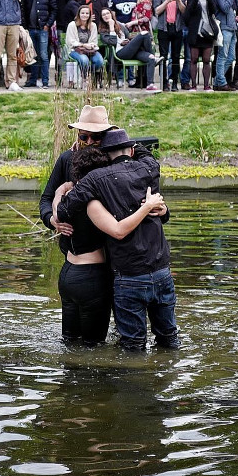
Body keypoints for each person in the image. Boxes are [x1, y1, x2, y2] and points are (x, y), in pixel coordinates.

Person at [56, 128, 179, 351]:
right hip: (162, 271)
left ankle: (132, 383)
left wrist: (61, 191)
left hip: (129, 276)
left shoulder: (95, 180)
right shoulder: (149, 167)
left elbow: (63, 212)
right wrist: (112, 131)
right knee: (169, 339)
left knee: (132, 346)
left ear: (104, 152)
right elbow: (145, 152)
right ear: (131, 150)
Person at [39, 104, 117, 242]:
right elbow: (46, 198)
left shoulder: (115, 158)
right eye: (83, 137)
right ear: (78, 135)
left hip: (110, 240)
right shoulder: (67, 158)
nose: (89, 142)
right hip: (76, 243)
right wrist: (52, 219)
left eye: (96, 137)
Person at [100, 7, 160, 91]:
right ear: (101, 18)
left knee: (150, 58)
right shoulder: (103, 31)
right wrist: (111, 27)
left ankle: (150, 84)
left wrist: (127, 41)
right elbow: (113, 42)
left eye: (107, 13)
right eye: (103, 15)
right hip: (120, 53)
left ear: (111, 14)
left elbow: (129, 37)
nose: (106, 16)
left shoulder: (120, 25)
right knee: (144, 34)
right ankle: (154, 58)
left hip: (130, 50)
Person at [23, 0, 57, 89]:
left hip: (43, 28)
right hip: (30, 28)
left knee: (43, 55)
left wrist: (48, 24)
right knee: (32, 55)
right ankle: (32, 80)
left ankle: (45, 81)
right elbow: (24, 10)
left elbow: (54, 10)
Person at [184, 0, 218, 91]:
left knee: (206, 60)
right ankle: (193, 85)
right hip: (195, 33)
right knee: (193, 59)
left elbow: (214, 12)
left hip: (207, 32)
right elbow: (188, 15)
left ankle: (206, 85)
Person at [154, 0, 184, 92]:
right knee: (163, 56)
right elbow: (156, 11)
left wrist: (179, 0)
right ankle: (164, 82)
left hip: (177, 27)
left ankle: (174, 81)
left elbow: (184, 11)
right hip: (164, 28)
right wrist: (167, 1)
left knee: (176, 57)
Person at [212, 0, 238, 91]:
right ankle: (221, 82)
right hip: (223, 27)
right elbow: (225, 8)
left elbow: (234, 9)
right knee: (222, 56)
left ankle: (218, 81)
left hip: (232, 28)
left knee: (231, 57)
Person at [66, 5, 104, 84]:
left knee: (99, 61)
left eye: (87, 13)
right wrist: (83, 45)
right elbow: (71, 41)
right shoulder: (72, 25)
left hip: (89, 50)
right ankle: (85, 78)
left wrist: (91, 45)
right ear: (79, 14)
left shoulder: (93, 25)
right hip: (75, 50)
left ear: (90, 15)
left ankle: (91, 76)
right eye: (82, 13)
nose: (85, 15)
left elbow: (94, 41)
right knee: (84, 60)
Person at [179, 0, 198, 89]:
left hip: (192, 28)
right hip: (180, 26)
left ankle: (185, 80)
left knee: (189, 57)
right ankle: (171, 79)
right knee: (173, 57)